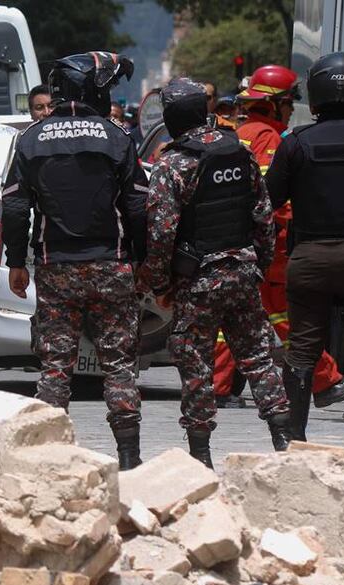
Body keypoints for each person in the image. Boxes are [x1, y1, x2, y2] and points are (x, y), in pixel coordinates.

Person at [0, 51, 148, 470]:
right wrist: (142, 258)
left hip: (55, 266)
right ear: (90, 90)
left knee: (55, 366)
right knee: (119, 364)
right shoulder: (116, 136)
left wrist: (16, 261)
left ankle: (49, 458)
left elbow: (15, 207)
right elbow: (137, 206)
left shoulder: (32, 138)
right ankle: (129, 457)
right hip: (111, 264)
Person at [139, 79, 291, 467]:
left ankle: (201, 455)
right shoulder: (238, 151)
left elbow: (161, 233)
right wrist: (257, 265)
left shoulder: (172, 163)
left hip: (198, 280)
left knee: (195, 365)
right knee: (259, 358)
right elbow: (263, 217)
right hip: (242, 272)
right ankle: (284, 441)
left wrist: (160, 283)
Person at [216, 65, 344, 410]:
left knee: (243, 314)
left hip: (237, 240)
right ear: (274, 103)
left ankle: (218, 385)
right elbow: (268, 198)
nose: (292, 109)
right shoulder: (266, 136)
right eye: (288, 102)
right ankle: (324, 381)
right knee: (284, 314)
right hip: (270, 244)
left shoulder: (240, 133)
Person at [266, 52, 344, 450]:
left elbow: (268, 201)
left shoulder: (296, 143)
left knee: (302, 352)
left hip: (308, 259)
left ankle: (295, 440)